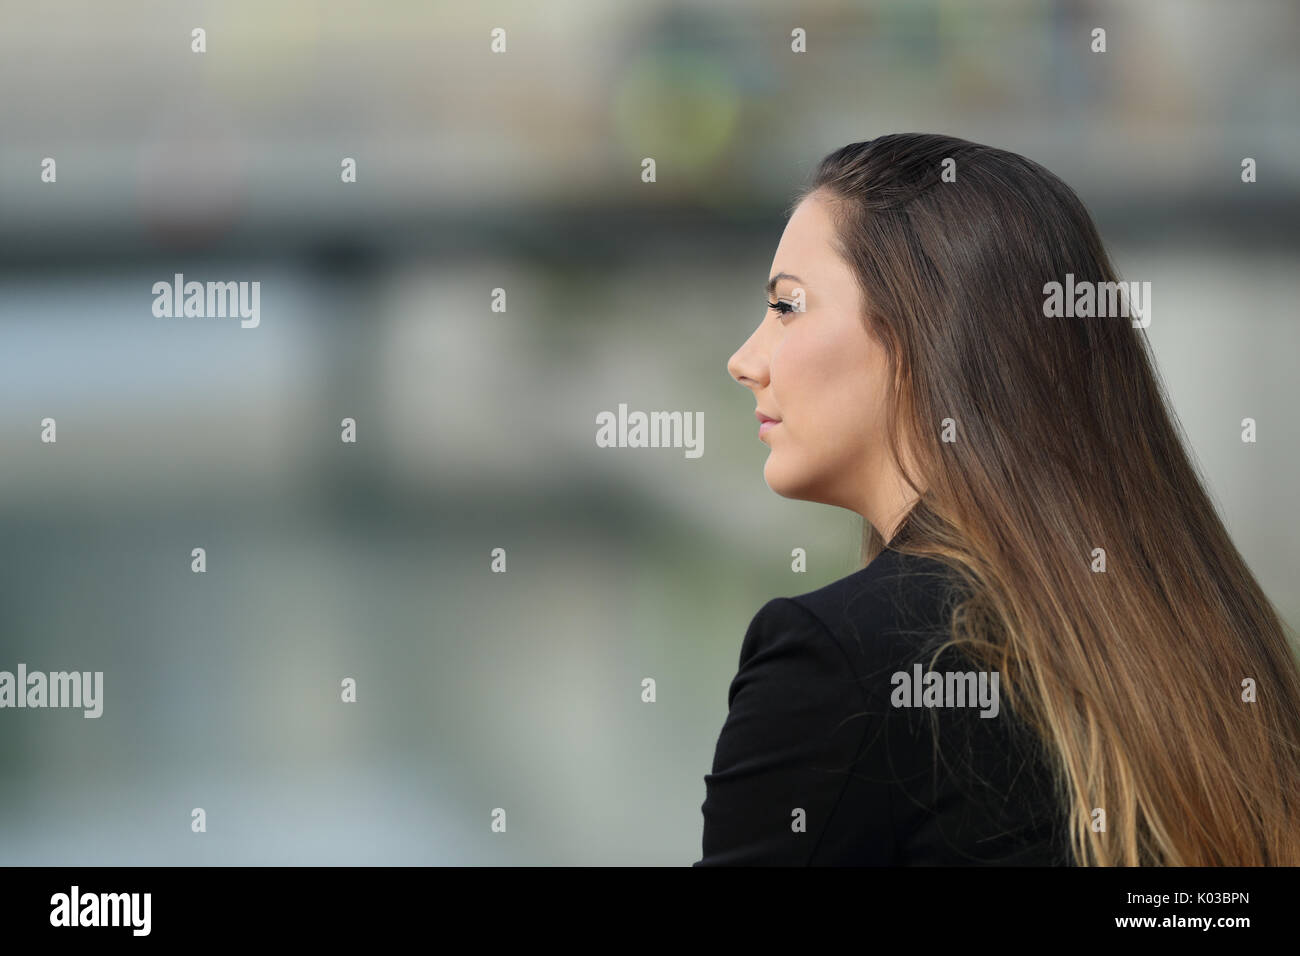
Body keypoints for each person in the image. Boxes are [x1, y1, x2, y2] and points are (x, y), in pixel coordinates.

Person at [697, 133, 1300, 866]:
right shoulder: (1223, 644)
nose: (744, 361)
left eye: (787, 306)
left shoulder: (836, 664)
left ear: (925, 332)